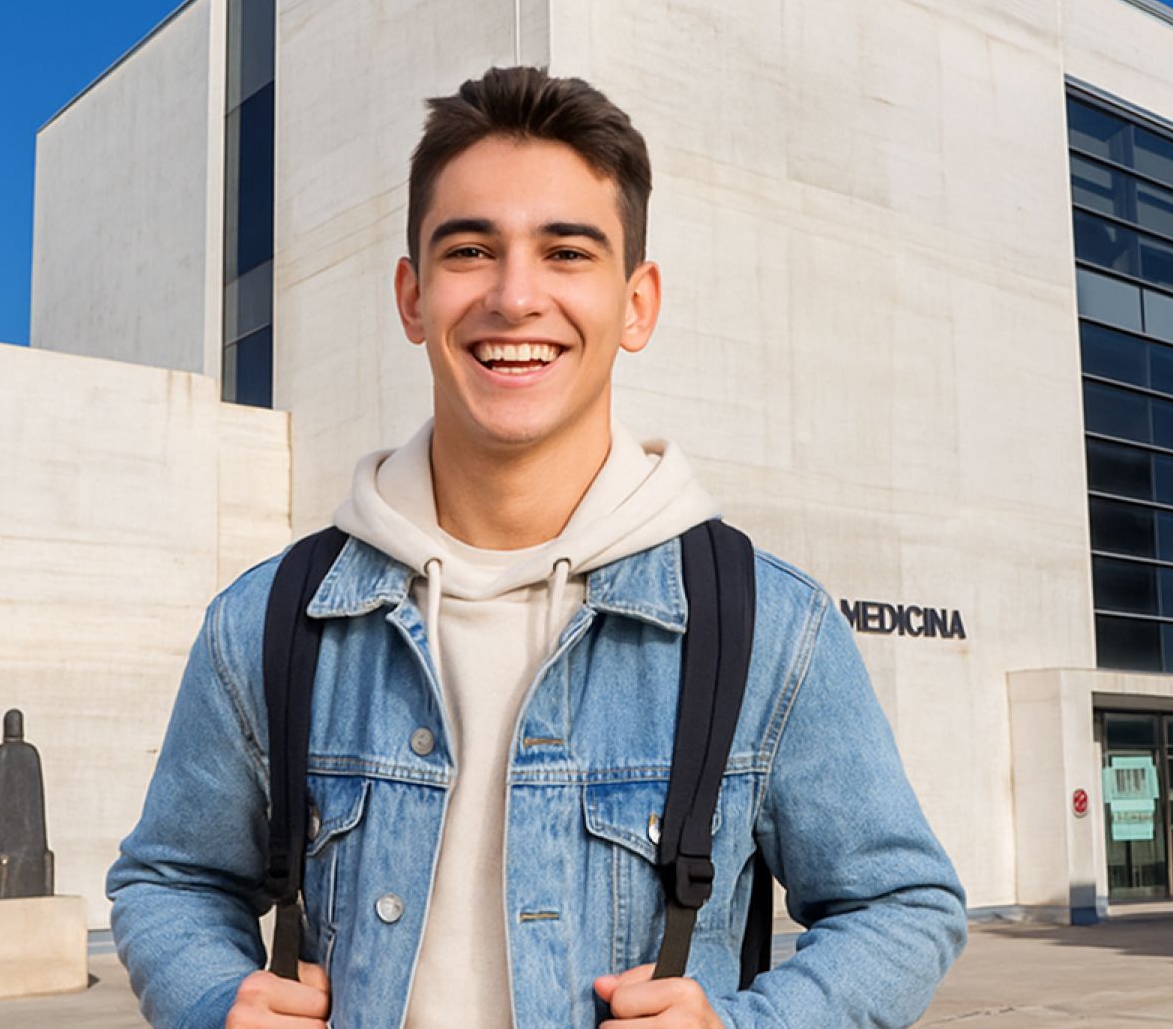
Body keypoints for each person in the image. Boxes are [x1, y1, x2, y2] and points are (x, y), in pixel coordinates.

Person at [108, 66, 967, 1028]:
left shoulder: (771, 626)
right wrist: (215, 1001)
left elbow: (902, 905)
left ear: (636, 303)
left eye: (567, 253)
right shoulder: (266, 621)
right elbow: (169, 879)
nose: (515, 298)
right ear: (412, 297)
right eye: (471, 249)